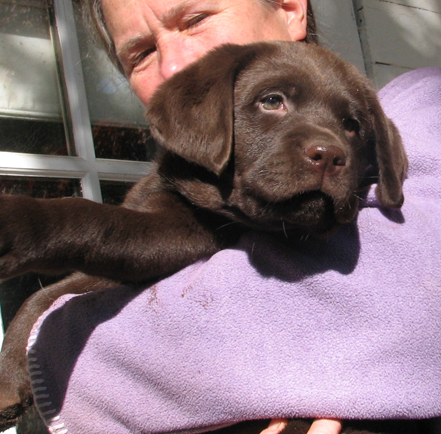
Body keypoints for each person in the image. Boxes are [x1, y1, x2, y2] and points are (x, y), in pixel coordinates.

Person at [22, 1, 441, 434]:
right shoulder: (185, 196)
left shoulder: (426, 106)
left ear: (289, 8)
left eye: (196, 20)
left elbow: (407, 289)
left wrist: (61, 345)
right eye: (142, 53)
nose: (174, 64)